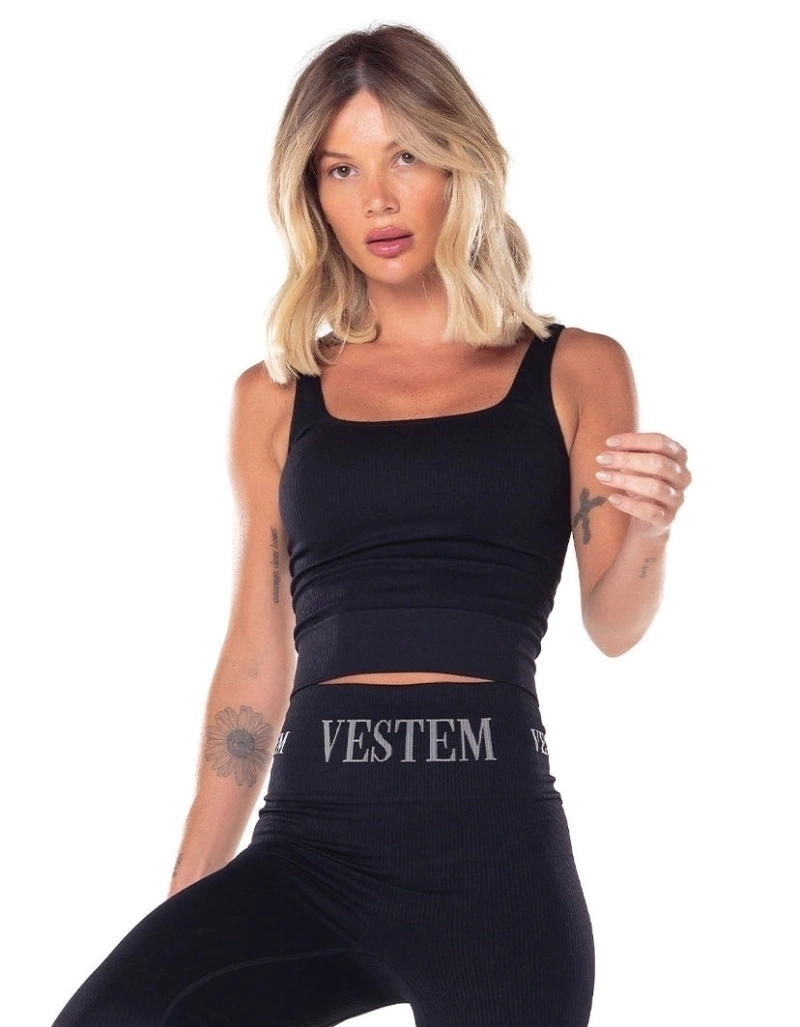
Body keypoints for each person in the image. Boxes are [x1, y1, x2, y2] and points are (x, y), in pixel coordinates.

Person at [51, 22, 692, 1027]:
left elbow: (612, 625)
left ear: (458, 164)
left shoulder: (576, 368)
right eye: (340, 169)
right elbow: (256, 653)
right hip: (313, 846)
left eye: (405, 157)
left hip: (493, 857)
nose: (377, 200)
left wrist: (648, 530)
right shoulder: (275, 395)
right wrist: (187, 900)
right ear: (311, 193)